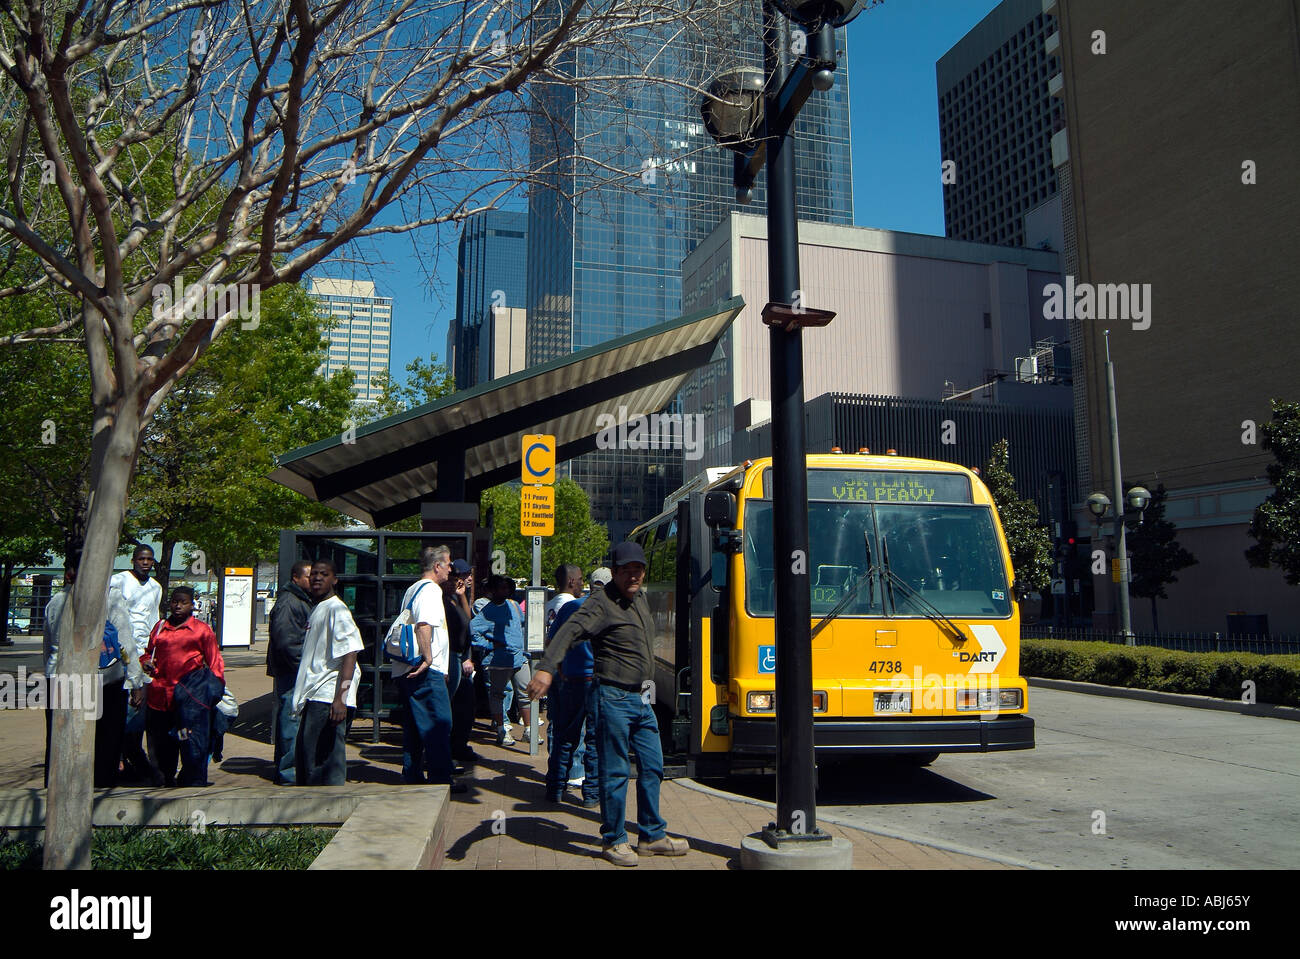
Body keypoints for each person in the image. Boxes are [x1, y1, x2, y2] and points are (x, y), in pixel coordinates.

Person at [528, 542, 689, 866]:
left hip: (642, 696)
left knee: (652, 765)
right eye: (626, 570)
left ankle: (651, 835)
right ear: (614, 572)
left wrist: (650, 695)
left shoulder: (639, 597)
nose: (633, 575)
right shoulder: (601, 603)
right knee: (614, 771)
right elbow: (570, 629)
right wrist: (546, 668)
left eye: (638, 569)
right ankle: (614, 840)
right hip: (611, 696)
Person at [42, 556, 147, 788]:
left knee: (61, 743)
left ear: (69, 575)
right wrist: (136, 681)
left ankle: (56, 790)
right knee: (106, 743)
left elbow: (48, 648)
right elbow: (125, 641)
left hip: (60, 680)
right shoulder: (110, 598)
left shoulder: (56, 602)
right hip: (104, 682)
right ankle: (100, 792)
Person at [391, 546, 463, 791]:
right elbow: (424, 625)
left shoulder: (413, 588)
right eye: (448, 564)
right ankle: (441, 780)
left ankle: (412, 774)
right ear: (437, 566)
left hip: (405, 670)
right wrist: (429, 659)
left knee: (414, 725)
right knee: (439, 722)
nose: (450, 569)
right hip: (424, 671)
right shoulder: (431, 590)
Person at [141, 586, 225, 787]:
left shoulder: (201, 630)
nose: (178, 606)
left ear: (192, 605)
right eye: (174, 602)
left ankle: (190, 781)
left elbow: (215, 664)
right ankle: (164, 781)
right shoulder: (160, 627)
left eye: (183, 602)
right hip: (160, 698)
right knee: (162, 746)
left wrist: (212, 692)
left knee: (188, 743)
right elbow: (147, 652)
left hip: (189, 702)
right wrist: (145, 661)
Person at [292, 560, 363, 786]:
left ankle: (328, 809)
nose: (317, 578)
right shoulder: (319, 608)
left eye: (324, 574)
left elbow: (350, 652)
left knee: (324, 762)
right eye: (314, 574)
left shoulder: (337, 609)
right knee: (309, 759)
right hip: (314, 696)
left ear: (334, 579)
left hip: (327, 697)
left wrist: (340, 700)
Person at [542, 566, 600, 807]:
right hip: (597, 682)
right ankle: (592, 794)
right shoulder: (608, 610)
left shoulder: (569, 608)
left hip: (572, 680)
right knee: (594, 740)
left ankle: (555, 788)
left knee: (565, 736)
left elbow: (552, 640)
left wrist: (561, 669)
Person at [111, 545, 163, 782]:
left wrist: (152, 655)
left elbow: (154, 622)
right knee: (123, 709)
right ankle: (123, 760)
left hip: (144, 657)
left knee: (139, 710)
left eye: (149, 559)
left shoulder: (155, 588)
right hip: (120, 654)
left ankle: (135, 759)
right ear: (133, 560)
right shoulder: (118, 581)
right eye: (141, 558)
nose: (145, 563)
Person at [471, 574, 533, 746]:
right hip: (499, 660)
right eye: (501, 588)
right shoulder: (487, 611)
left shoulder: (513, 605)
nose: (505, 591)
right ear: (493, 590)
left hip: (519, 657)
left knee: (526, 692)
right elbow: (473, 632)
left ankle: (529, 730)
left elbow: (520, 625)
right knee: (498, 695)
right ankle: (501, 729)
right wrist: (490, 645)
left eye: (507, 587)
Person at [267, 560, 313, 784]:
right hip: (291, 671)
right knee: (291, 720)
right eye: (308, 576)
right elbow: (285, 642)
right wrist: (302, 668)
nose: (313, 581)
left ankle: (286, 769)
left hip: (292, 669)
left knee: (290, 719)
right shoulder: (289, 602)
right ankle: (288, 774)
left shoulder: (298, 600)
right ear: (296, 577)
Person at [445, 559, 478, 764]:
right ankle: (448, 749)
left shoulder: (457, 597)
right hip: (450, 657)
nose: (469, 578)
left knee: (466, 705)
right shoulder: (443, 598)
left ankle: (459, 746)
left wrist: (463, 596)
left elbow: (468, 621)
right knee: (450, 706)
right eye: (466, 575)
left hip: (460, 657)